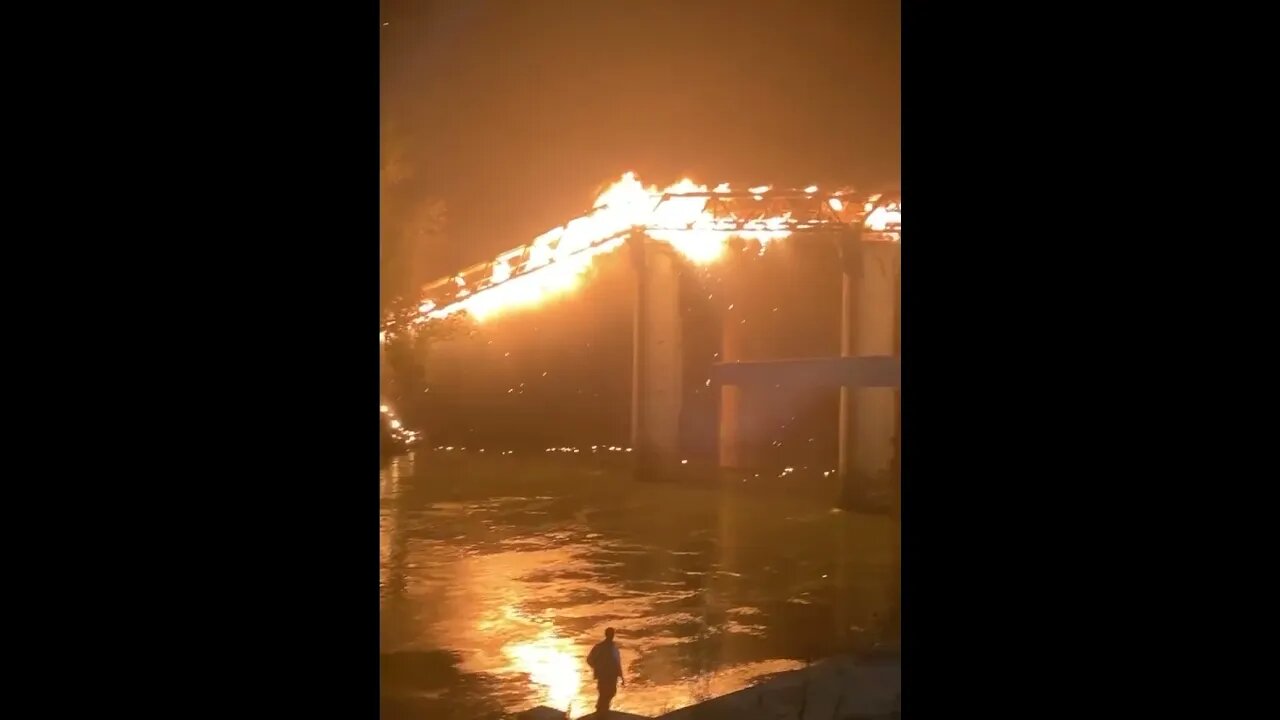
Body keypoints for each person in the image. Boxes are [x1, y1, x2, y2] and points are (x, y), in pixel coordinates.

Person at [586, 627, 624, 715]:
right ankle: (601, 711)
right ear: (608, 635)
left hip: (611, 675)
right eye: (611, 634)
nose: (612, 636)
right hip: (604, 675)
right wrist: (597, 668)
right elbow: (589, 660)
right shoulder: (600, 647)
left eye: (612, 634)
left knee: (610, 693)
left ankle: (603, 710)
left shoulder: (613, 647)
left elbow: (617, 662)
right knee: (604, 693)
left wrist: (621, 676)